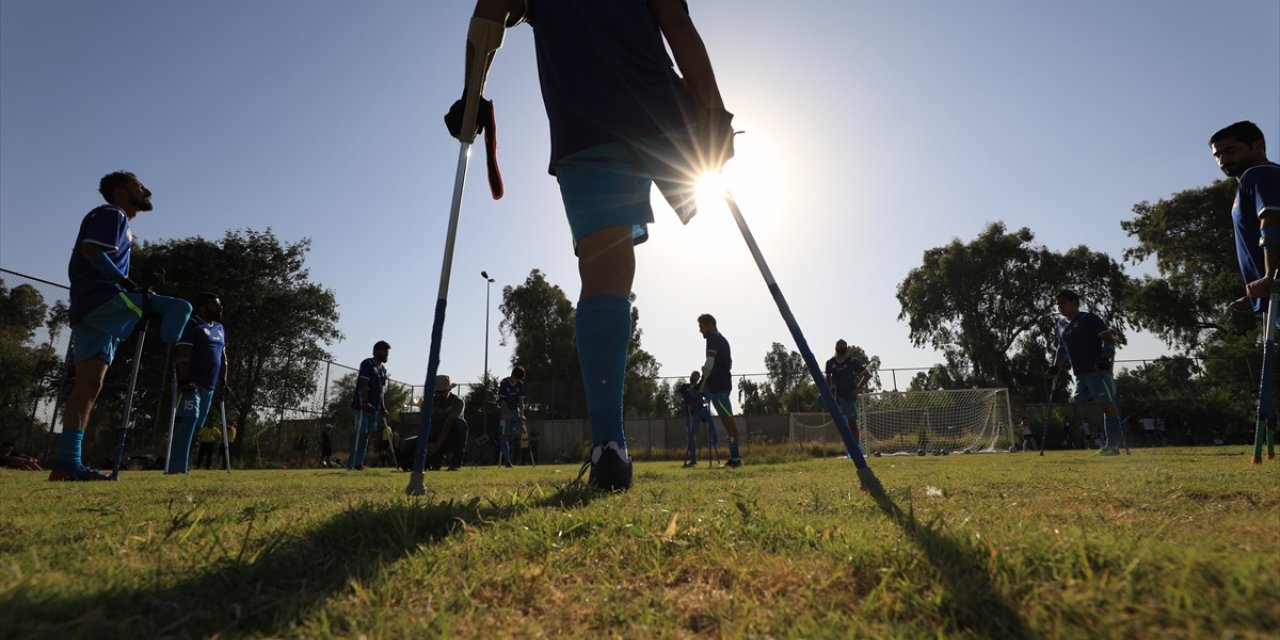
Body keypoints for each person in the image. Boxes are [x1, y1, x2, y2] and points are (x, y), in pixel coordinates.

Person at [447, 0, 734, 491]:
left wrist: (472, 94)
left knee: (607, 269)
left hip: (589, 120)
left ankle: (609, 445)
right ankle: (609, 446)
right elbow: (677, 24)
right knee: (610, 271)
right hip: (654, 114)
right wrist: (711, 110)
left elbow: (489, 15)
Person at [53, 171, 193, 481]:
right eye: (139, 186)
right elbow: (92, 251)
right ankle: (175, 342)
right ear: (120, 193)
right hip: (105, 300)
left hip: (89, 308)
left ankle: (67, 462)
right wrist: (128, 282)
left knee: (89, 384)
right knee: (180, 307)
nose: (148, 191)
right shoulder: (112, 213)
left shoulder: (116, 220)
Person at [1208, 122, 1280, 314]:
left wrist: (1270, 277)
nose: (1222, 159)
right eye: (1217, 155)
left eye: (1230, 151)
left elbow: (1272, 221)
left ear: (1258, 145)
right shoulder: (1250, 182)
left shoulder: (1259, 173)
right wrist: (1256, 296)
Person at [1048, 290, 1123, 455]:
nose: (1059, 307)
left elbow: (1108, 339)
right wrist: (1056, 367)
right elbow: (1062, 349)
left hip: (1097, 370)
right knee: (1079, 399)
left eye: (1063, 303)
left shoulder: (1088, 318)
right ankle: (1110, 398)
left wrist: (1105, 358)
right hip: (1079, 373)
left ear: (1074, 302)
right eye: (1057, 304)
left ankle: (1113, 446)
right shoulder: (1061, 325)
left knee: (1106, 405)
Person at [166, 293, 229, 474]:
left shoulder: (219, 328)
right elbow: (183, 350)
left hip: (208, 386)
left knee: (197, 426)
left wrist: (223, 381)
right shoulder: (192, 324)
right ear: (203, 306)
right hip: (191, 384)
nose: (220, 309)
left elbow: (223, 357)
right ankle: (177, 467)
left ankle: (181, 464)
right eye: (215, 305)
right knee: (187, 422)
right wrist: (184, 380)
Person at [699, 314, 743, 466]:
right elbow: (729, 364)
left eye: (701, 326)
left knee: (728, 422)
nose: (700, 330)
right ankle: (734, 457)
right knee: (727, 421)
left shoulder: (712, 338)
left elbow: (709, 362)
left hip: (719, 387)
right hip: (720, 385)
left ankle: (736, 458)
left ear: (709, 325)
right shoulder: (724, 340)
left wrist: (703, 381)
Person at [348, 341, 390, 471]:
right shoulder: (367, 364)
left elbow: (381, 391)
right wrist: (365, 401)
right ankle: (351, 464)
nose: (387, 354)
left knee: (368, 434)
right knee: (361, 432)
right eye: (385, 351)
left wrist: (382, 407)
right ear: (377, 351)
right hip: (363, 406)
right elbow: (364, 384)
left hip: (375, 408)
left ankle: (359, 463)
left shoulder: (383, 369)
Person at [824, 339, 872, 443]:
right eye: (838, 344)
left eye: (843, 344)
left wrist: (857, 389)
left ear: (846, 348)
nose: (841, 346)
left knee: (852, 425)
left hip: (850, 397)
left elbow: (867, 375)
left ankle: (856, 450)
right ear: (835, 347)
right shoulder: (830, 362)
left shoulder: (852, 361)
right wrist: (830, 387)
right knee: (841, 425)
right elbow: (828, 377)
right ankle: (848, 449)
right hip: (837, 398)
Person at [426, 375, 468, 471]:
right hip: (434, 434)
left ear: (449, 390)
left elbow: (449, 423)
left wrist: (436, 446)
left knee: (460, 424)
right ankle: (434, 459)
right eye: (437, 392)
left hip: (450, 437)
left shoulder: (458, 402)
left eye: (442, 392)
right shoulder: (430, 402)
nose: (439, 395)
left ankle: (456, 463)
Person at [676, 370, 715, 467]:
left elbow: (707, 398)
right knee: (691, 436)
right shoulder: (685, 387)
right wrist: (684, 401)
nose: (695, 377)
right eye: (694, 375)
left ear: (699, 378)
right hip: (689, 414)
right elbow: (679, 397)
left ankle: (714, 442)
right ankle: (693, 459)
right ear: (691, 376)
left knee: (710, 423)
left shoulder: (700, 387)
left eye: (697, 376)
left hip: (700, 412)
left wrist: (704, 401)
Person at [497, 365, 527, 468]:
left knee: (522, 430)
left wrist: (522, 415)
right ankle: (507, 461)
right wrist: (506, 413)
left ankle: (524, 457)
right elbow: (502, 400)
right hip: (505, 411)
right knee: (504, 436)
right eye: (516, 378)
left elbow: (521, 401)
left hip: (516, 411)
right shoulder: (504, 383)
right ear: (513, 375)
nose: (516, 381)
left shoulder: (520, 384)